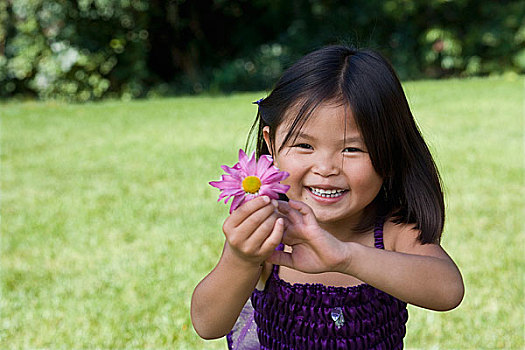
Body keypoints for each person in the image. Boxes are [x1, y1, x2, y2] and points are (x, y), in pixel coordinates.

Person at [191, 45, 464, 349]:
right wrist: (240, 259)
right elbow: (207, 323)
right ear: (271, 144)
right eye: (304, 146)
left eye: (352, 149)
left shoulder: (391, 232)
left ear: (390, 153)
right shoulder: (271, 235)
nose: (326, 168)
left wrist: (345, 257)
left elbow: (448, 291)